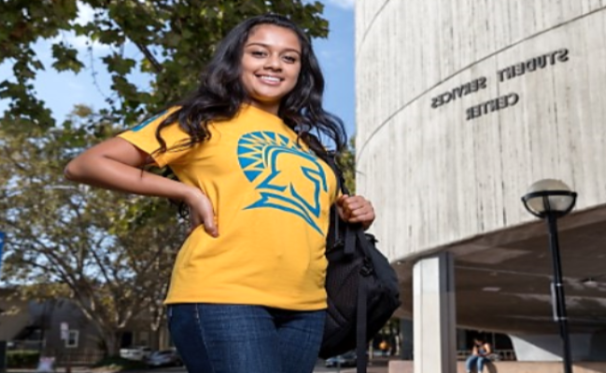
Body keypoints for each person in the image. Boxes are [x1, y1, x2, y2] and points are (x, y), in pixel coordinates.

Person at [64, 14, 375, 373]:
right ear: (235, 59)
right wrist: (186, 193)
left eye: (289, 58)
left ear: (300, 71)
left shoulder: (309, 145)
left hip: (306, 306)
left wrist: (356, 209)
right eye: (259, 53)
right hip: (223, 296)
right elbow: (87, 164)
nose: (274, 64)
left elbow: (315, 213)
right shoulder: (202, 119)